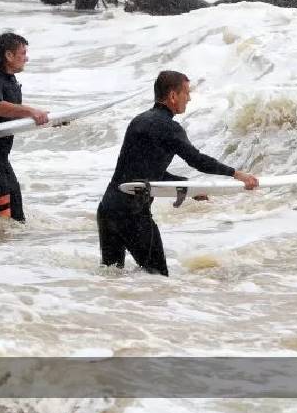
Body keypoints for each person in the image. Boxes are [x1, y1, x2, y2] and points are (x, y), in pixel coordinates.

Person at [97, 71, 259, 276]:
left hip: (108, 209)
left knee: (111, 277)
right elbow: (197, 160)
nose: (189, 98)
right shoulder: (169, 128)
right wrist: (237, 174)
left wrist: (188, 187)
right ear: (173, 96)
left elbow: (145, 172)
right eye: (186, 93)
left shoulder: (138, 121)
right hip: (132, 215)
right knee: (158, 279)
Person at [0, 32, 50, 222]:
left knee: (17, 221)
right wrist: (31, 111)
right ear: (9, 55)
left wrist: (47, 122)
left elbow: (13, 118)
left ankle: (9, 252)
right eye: (23, 53)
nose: (26, 58)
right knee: (2, 224)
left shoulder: (10, 81)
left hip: (1, 159)